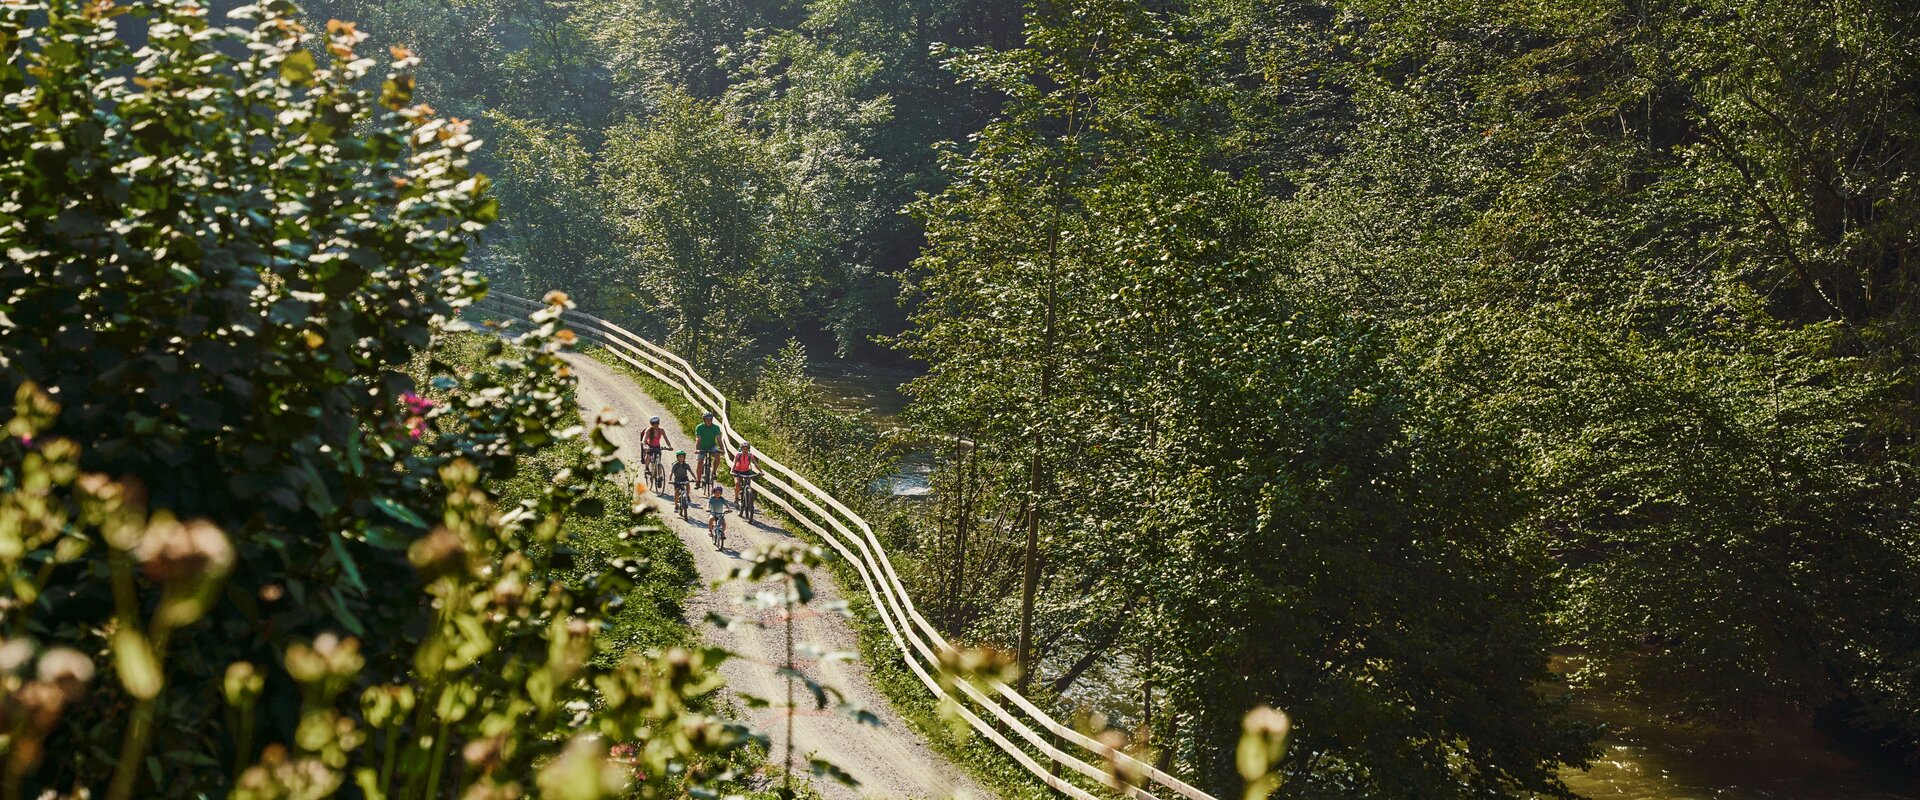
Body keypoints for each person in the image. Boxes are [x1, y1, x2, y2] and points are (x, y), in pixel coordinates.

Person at [693, 412, 723, 486]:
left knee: (717, 456)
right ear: (704, 420)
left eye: (710, 419)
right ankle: (698, 480)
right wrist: (697, 449)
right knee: (700, 463)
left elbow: (719, 439)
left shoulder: (716, 427)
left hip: (712, 446)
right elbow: (698, 439)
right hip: (701, 447)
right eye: (707, 419)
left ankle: (714, 472)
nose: (708, 421)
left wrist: (722, 449)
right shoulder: (699, 427)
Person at [730, 441, 758, 511]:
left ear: (748, 449)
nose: (745, 450)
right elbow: (734, 463)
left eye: (746, 449)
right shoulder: (738, 455)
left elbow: (755, 464)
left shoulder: (750, 455)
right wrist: (732, 471)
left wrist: (761, 471)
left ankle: (749, 500)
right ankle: (736, 498)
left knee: (748, 485)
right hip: (737, 471)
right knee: (737, 484)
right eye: (743, 449)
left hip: (746, 471)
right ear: (741, 449)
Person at [669, 450, 694, 514]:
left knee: (688, 484)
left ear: (684, 458)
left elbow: (691, 472)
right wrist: (670, 480)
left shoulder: (686, 465)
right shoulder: (675, 465)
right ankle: (676, 505)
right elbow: (671, 473)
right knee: (677, 491)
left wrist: (695, 479)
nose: (681, 458)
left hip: (684, 478)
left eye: (682, 457)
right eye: (680, 457)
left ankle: (687, 495)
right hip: (677, 479)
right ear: (677, 457)